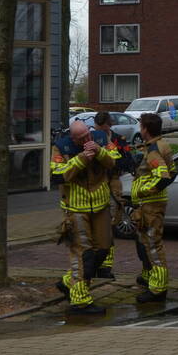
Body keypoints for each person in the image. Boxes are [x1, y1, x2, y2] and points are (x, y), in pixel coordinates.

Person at [50, 120, 119, 315]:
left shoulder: (100, 139)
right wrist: (81, 159)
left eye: (87, 136)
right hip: (76, 209)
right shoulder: (61, 147)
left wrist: (99, 151)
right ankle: (80, 301)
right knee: (84, 255)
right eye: (81, 139)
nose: (86, 140)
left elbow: (114, 161)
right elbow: (57, 174)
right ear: (72, 138)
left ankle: (68, 282)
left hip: (101, 205)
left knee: (104, 249)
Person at [131, 112, 174, 303]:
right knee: (146, 243)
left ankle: (158, 289)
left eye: (141, 126)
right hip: (151, 205)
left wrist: (144, 192)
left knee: (153, 245)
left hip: (151, 205)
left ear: (146, 129)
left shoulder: (154, 150)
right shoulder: (160, 145)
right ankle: (151, 279)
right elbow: (173, 172)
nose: (140, 129)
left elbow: (164, 177)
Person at [90, 111, 135, 279]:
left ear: (108, 126)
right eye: (96, 128)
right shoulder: (89, 138)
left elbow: (128, 161)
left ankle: (105, 267)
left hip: (113, 182)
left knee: (109, 225)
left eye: (102, 128)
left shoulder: (118, 140)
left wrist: (109, 157)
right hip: (96, 184)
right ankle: (94, 263)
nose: (98, 131)